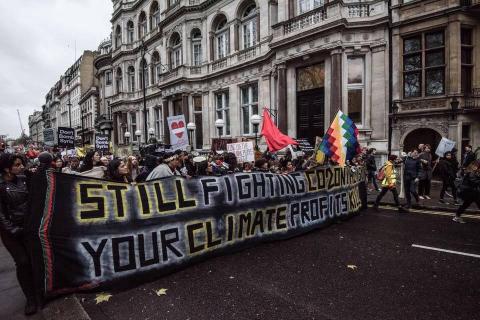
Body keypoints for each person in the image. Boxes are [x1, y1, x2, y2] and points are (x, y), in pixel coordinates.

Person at [0, 153, 37, 315]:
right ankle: (30, 298)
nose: (21, 166)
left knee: (34, 259)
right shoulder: (0, 185)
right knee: (22, 262)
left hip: (27, 227)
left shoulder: (24, 178)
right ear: (7, 169)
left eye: (21, 164)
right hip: (11, 232)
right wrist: (13, 230)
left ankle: (38, 291)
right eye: (17, 164)